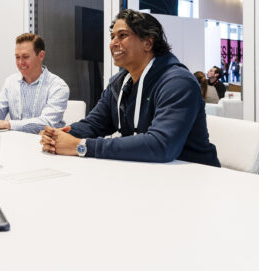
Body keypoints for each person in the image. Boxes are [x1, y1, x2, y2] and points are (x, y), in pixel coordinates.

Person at [40, 10, 219, 166]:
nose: (113, 43)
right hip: (148, 172)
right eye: (112, 37)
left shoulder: (178, 82)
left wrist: (82, 146)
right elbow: (94, 124)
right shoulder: (118, 83)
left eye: (122, 35)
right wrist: (60, 135)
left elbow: (161, 145)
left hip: (194, 176)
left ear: (148, 43)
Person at [0, 32, 69, 133]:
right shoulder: (11, 82)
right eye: (17, 57)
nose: (20, 62)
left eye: (25, 56)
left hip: (45, 141)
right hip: (16, 139)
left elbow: (47, 122)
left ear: (41, 55)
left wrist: (7, 124)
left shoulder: (58, 86)